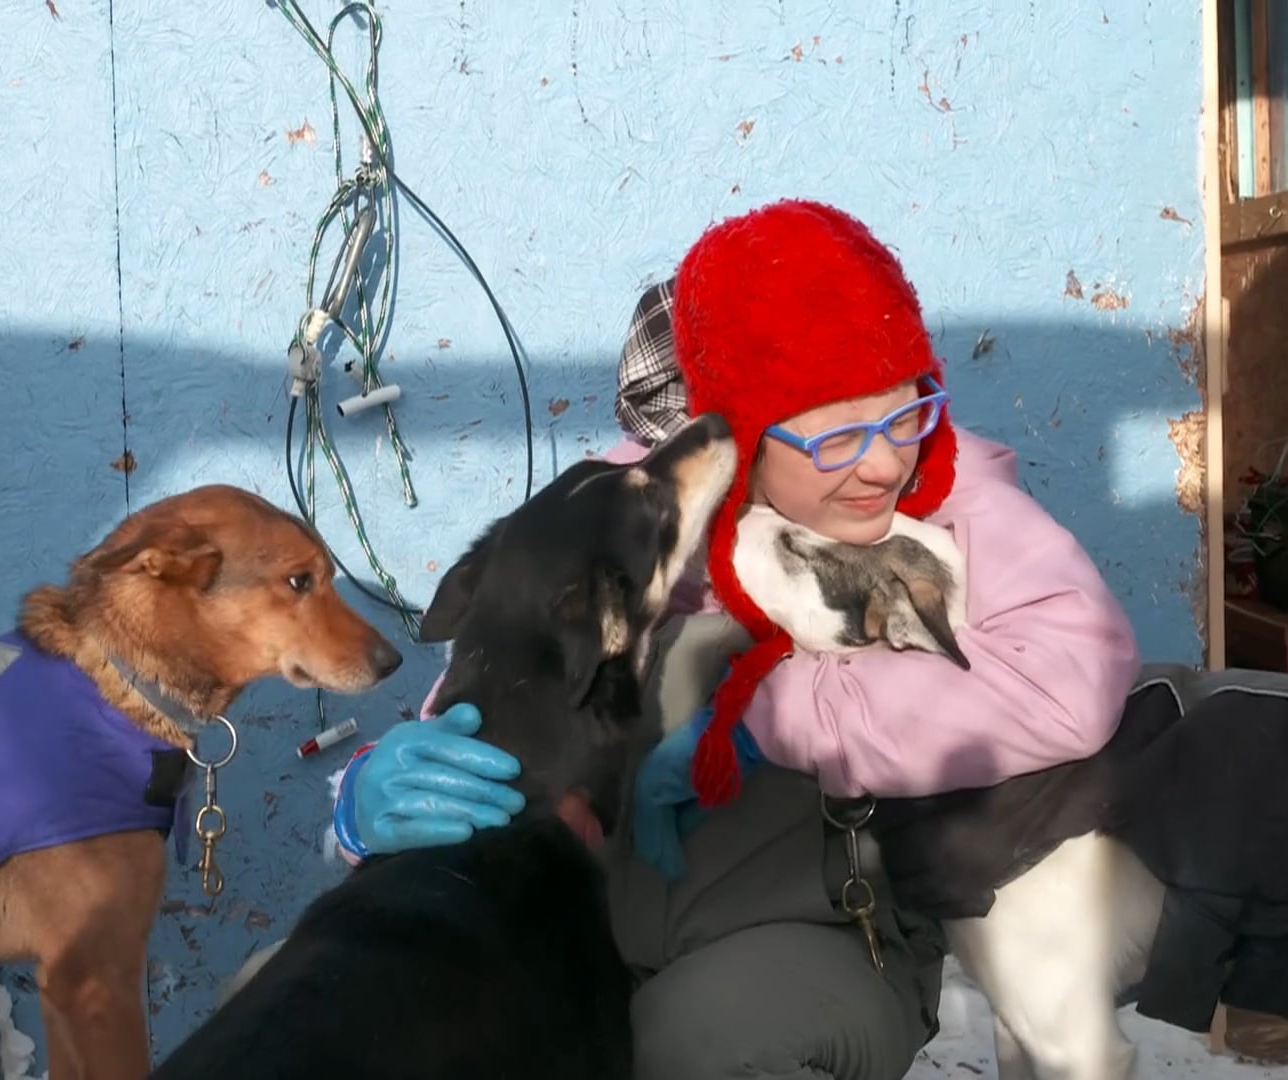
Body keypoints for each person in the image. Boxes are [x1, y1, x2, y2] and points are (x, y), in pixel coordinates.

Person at [328, 198, 1141, 1079]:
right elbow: (487, 708)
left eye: (902, 412)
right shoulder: (623, 513)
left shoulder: (942, 502)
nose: (882, 462)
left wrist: (782, 706)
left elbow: (1069, 675)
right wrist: (367, 801)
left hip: (812, 937)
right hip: (580, 931)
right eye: (829, 432)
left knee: (693, 1047)